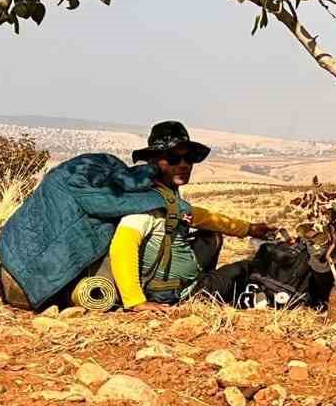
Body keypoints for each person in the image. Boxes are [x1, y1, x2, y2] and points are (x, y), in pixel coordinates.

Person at [108, 121, 277, 309]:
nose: (183, 165)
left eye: (188, 159)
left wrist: (249, 229)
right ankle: (202, 295)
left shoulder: (167, 197)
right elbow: (123, 245)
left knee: (210, 236)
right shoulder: (145, 203)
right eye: (173, 158)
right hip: (169, 294)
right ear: (154, 162)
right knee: (246, 268)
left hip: (174, 286)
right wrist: (135, 302)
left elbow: (202, 217)